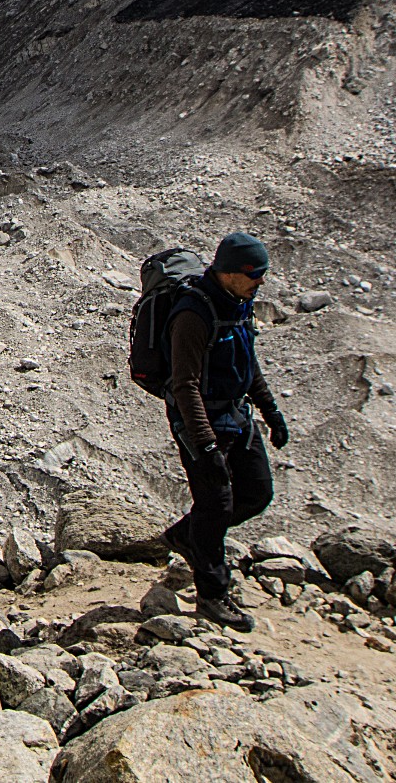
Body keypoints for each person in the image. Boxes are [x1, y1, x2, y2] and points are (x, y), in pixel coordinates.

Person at [161, 232, 289, 632]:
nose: (260, 283)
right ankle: (212, 595)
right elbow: (185, 385)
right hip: (201, 423)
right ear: (229, 273)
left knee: (256, 493)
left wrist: (271, 411)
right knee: (215, 505)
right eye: (255, 275)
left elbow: (248, 364)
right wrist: (205, 444)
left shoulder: (238, 304)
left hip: (239, 415)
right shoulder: (192, 315)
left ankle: (188, 536)